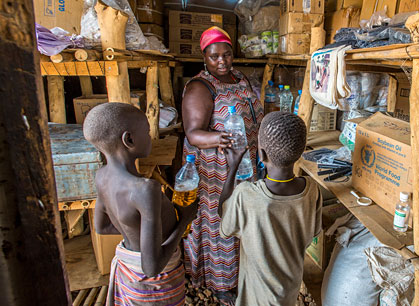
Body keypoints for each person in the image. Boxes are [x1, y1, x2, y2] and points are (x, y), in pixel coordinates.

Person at [83, 103, 198, 306]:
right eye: (147, 130)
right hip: (155, 285)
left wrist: (135, 235)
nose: (150, 135)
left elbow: (102, 227)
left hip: (129, 271)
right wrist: (184, 221)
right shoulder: (145, 189)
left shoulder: (101, 176)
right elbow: (151, 267)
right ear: (129, 139)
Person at [181, 26, 264, 304]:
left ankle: (243, 272)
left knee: (243, 216)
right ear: (204, 56)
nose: (222, 61)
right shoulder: (199, 87)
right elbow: (193, 133)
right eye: (214, 56)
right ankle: (220, 283)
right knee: (220, 220)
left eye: (226, 54)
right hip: (217, 167)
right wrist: (225, 137)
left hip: (246, 162)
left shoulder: (240, 78)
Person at [219, 112, 322, 306]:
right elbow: (312, 233)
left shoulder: (246, 195)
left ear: (262, 154)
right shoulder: (312, 190)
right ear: (299, 152)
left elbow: (224, 220)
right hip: (289, 288)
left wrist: (232, 168)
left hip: (257, 297)